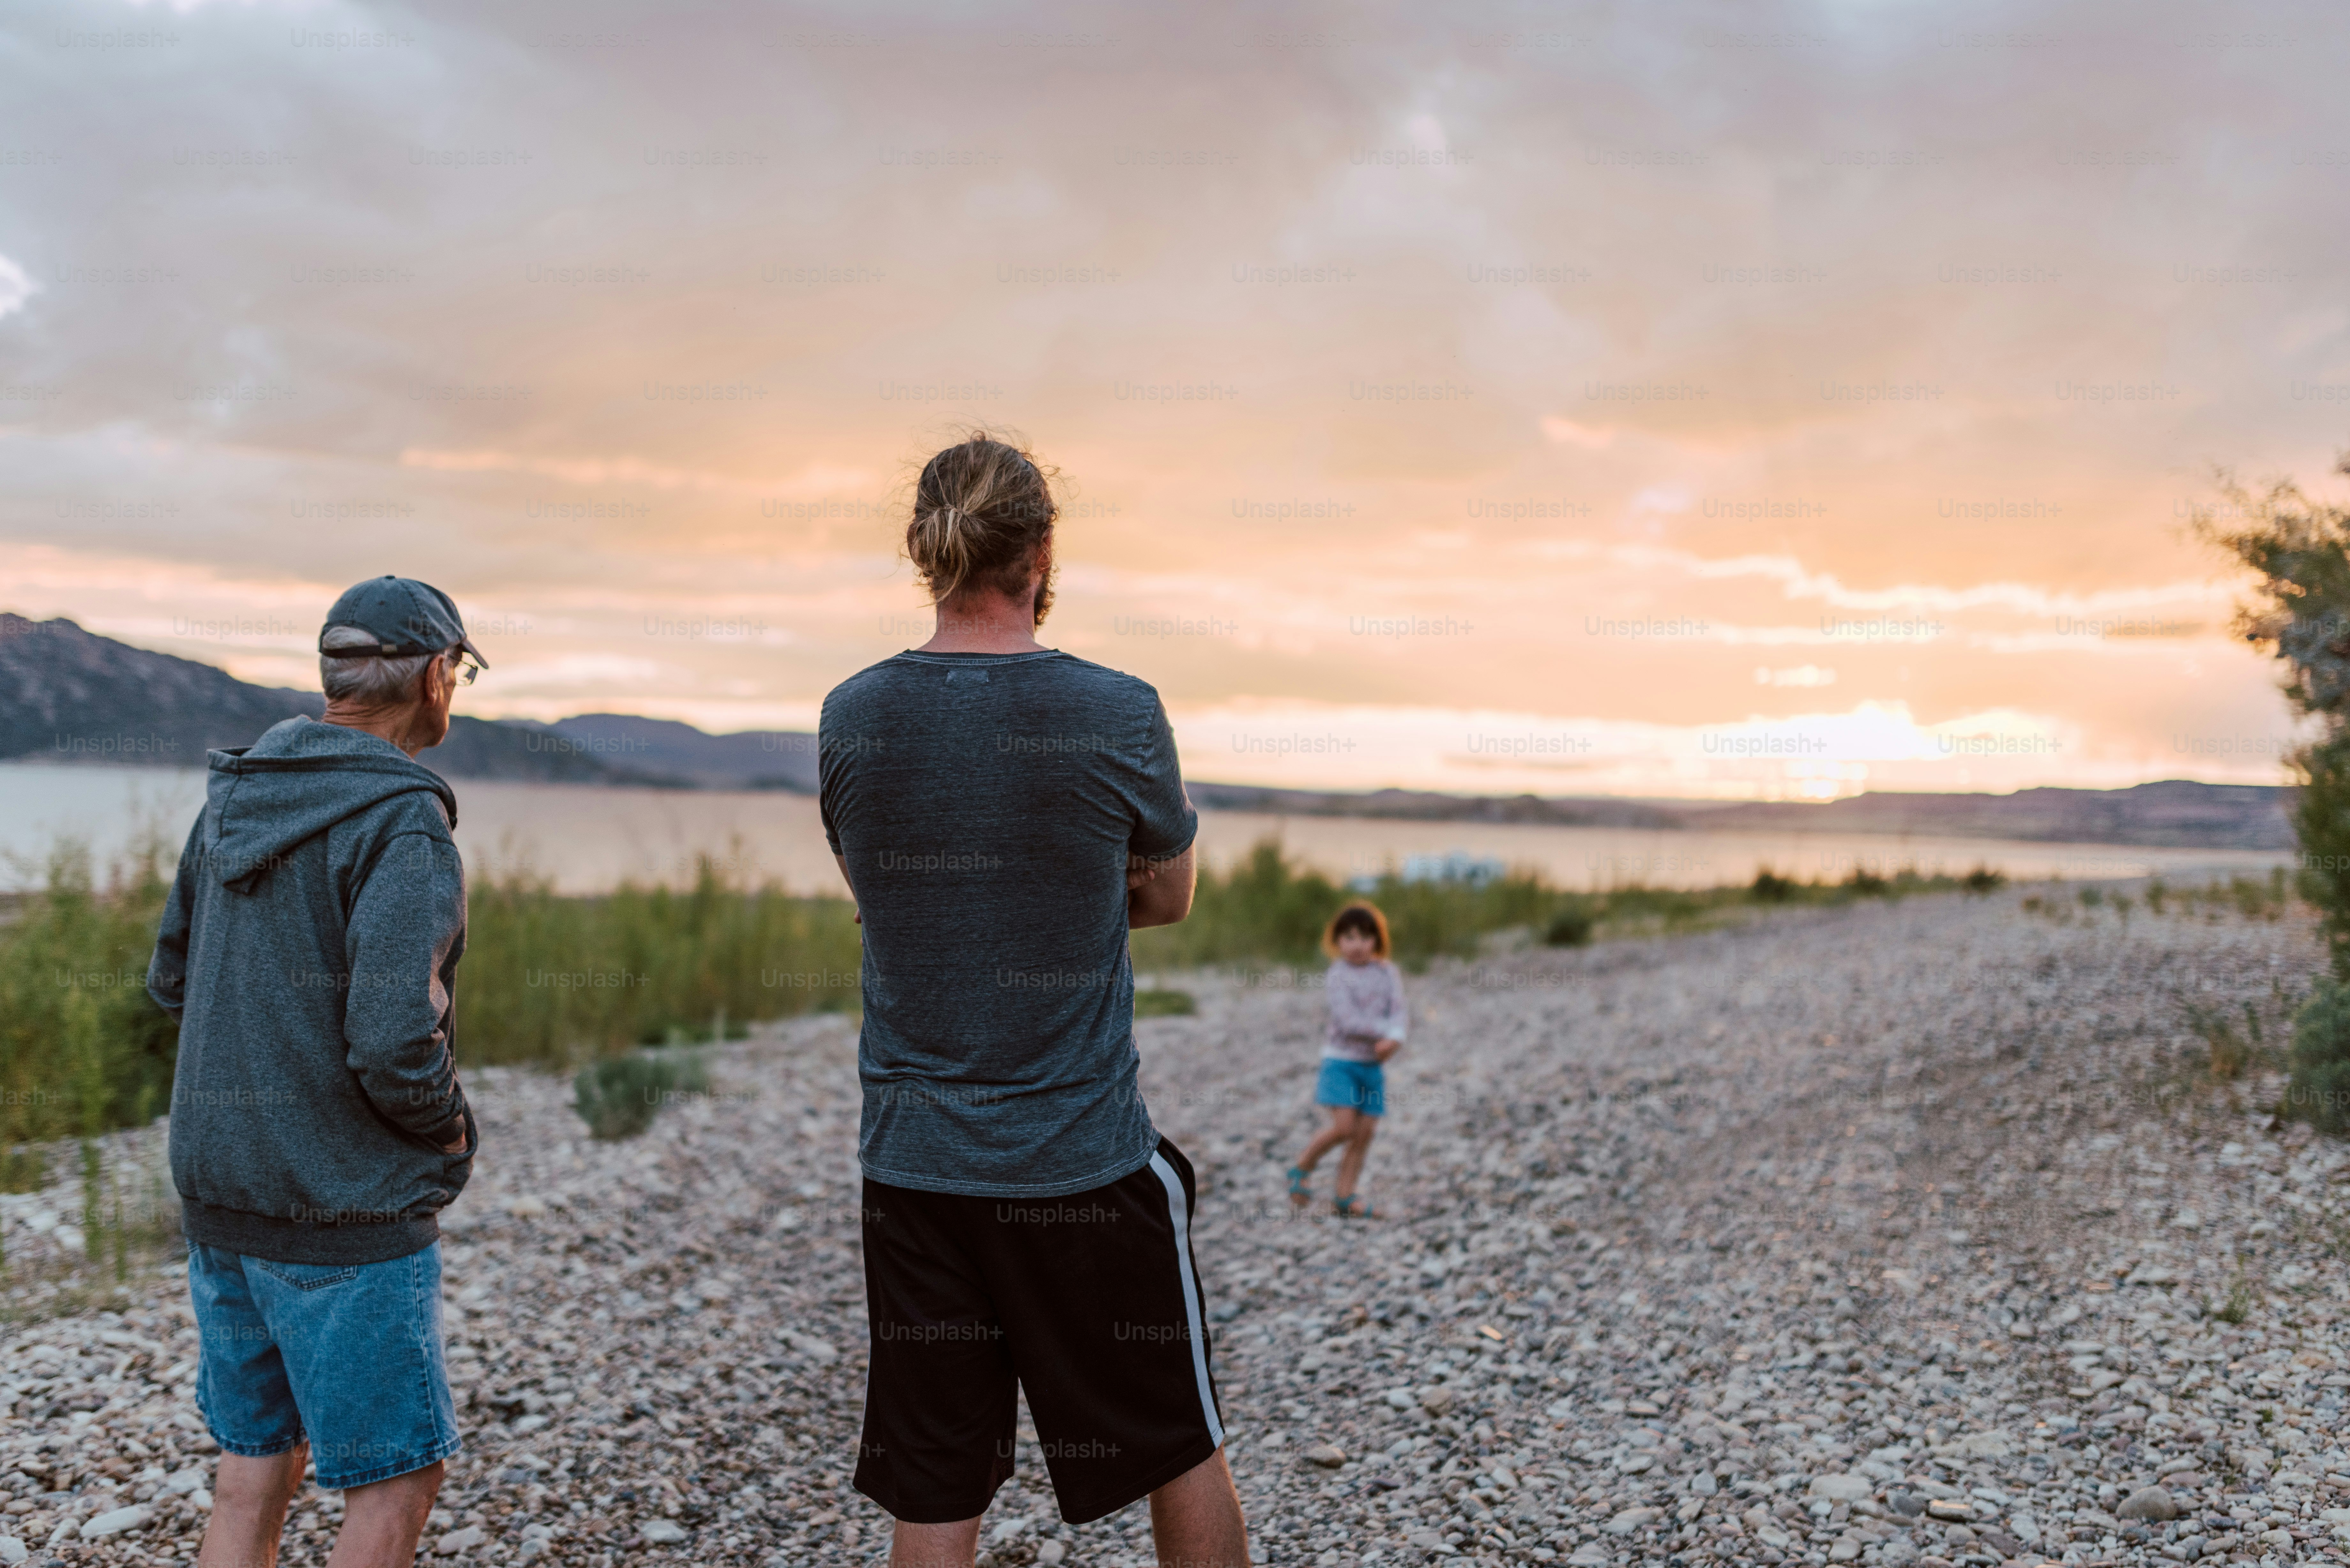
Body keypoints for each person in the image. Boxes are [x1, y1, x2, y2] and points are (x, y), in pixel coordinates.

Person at [819, 432, 1251, 1568]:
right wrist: (1068, 881)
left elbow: (883, 903)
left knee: (936, 1483)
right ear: (1043, 551)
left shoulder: (852, 714)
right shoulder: (1117, 709)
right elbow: (1168, 895)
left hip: (913, 1167)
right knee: (1177, 1440)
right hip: (1077, 1161)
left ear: (924, 551)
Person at [148, 576, 487, 1568]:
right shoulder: (403, 822)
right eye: (459, 671)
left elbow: (175, 979)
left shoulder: (233, 800)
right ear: (435, 676)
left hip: (221, 1193)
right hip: (344, 1210)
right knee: (393, 1481)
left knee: (255, 1461)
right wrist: (450, 1130)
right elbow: (392, 1038)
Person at [1286, 901, 1407, 1219]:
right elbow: (1347, 1020)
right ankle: (1303, 1166)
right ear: (1337, 940)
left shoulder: (1387, 973)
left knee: (1364, 1134)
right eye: (1350, 937)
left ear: (1378, 940)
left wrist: (1396, 1038)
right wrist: (1387, 1034)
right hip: (1340, 1063)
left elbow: (1400, 1012)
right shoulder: (1338, 975)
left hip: (1373, 1067)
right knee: (1344, 1127)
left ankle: (1345, 1196)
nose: (1358, 945)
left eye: (1366, 937)